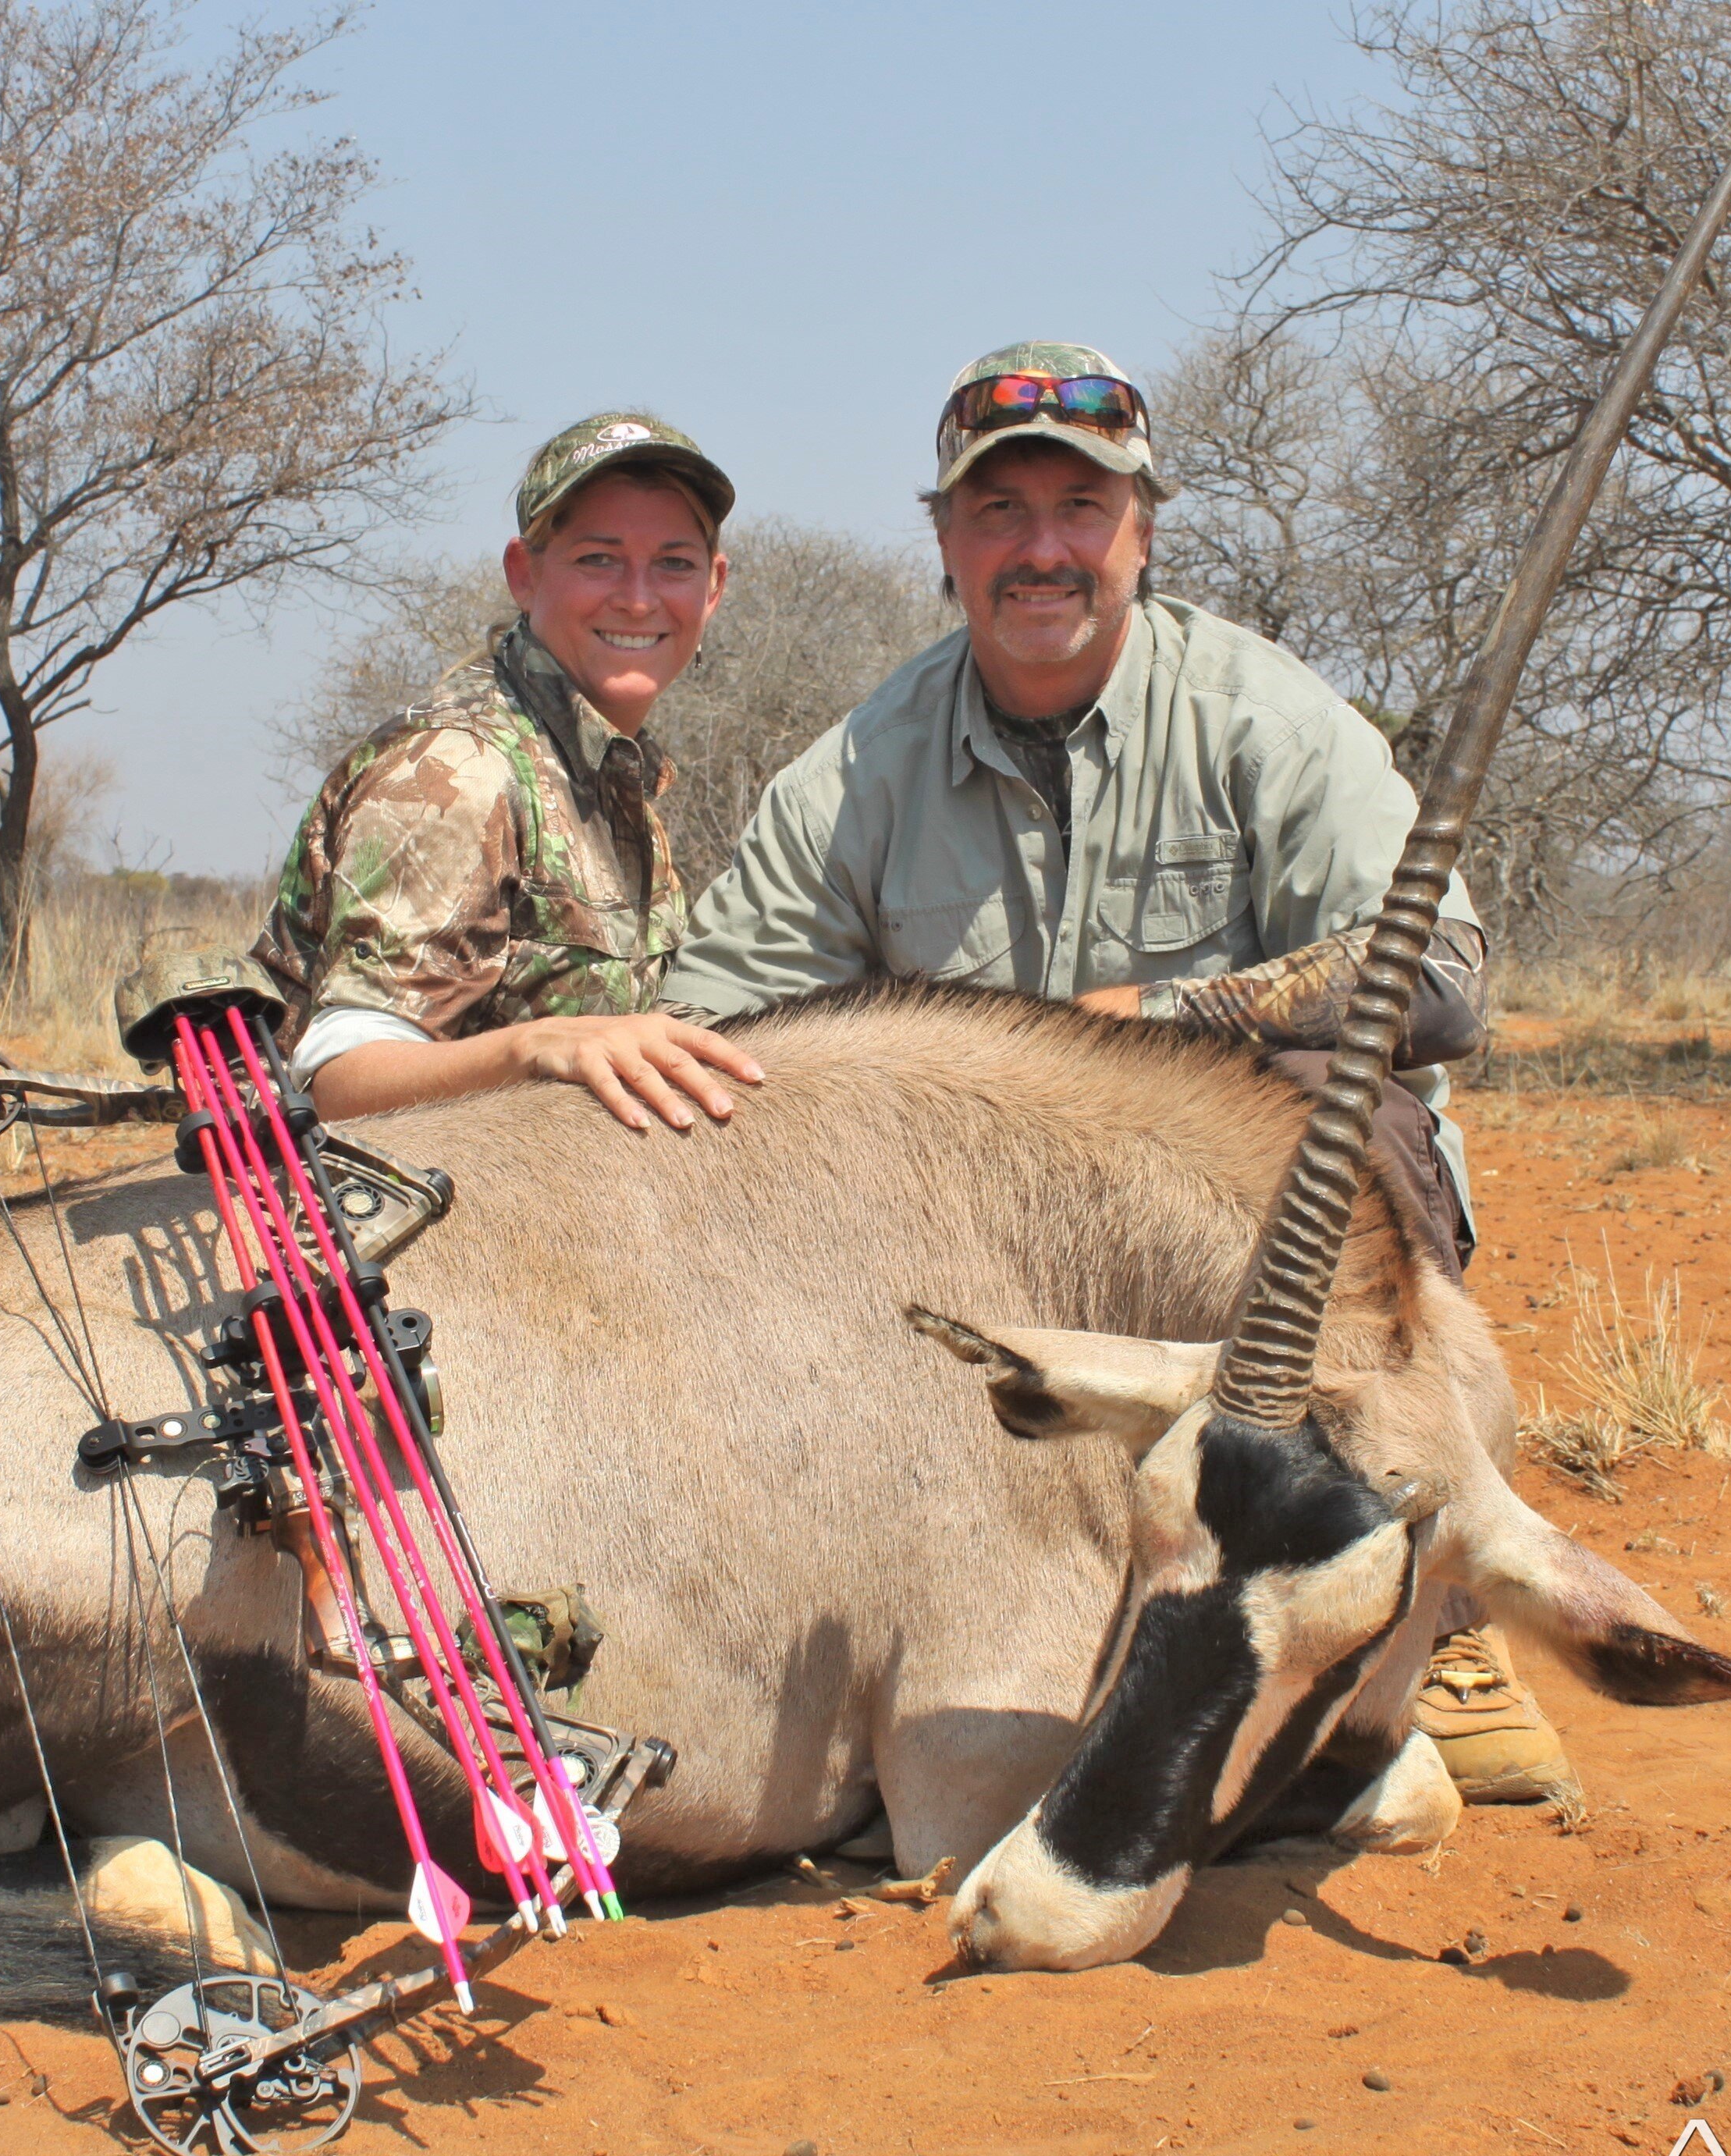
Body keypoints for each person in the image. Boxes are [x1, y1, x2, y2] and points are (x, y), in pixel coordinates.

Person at [656, 341, 1569, 1806]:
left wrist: (1156, 1013)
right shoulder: (863, 765)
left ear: (1142, 527)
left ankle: (1432, 1615)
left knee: (1353, 1112)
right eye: (997, 512)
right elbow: (712, 1013)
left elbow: (1444, 976)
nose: (1040, 549)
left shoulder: (1261, 715)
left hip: (1232, 1245)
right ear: (947, 542)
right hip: (982, 1240)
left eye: (1079, 508)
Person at [249, 411, 766, 1134]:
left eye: (673, 563)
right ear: (525, 575)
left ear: (712, 588)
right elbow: (341, 1080)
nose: (639, 598)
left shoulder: (608, 770)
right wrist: (535, 1048)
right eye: (598, 558)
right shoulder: (459, 769)